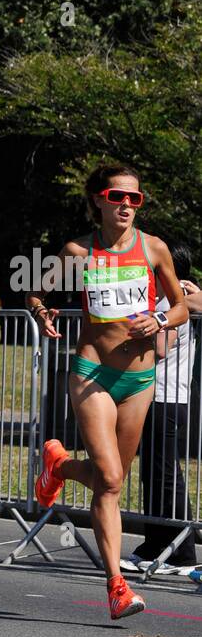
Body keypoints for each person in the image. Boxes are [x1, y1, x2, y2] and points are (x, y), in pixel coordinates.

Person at [28, 163, 188, 620]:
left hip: (139, 379)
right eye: (118, 197)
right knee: (113, 480)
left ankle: (59, 464)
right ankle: (117, 586)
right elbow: (34, 293)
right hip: (93, 374)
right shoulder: (77, 251)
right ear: (98, 199)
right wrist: (42, 312)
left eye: (134, 199)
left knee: (106, 481)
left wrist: (158, 320)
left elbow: (179, 306)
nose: (126, 206)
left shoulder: (153, 249)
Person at [132, 240, 200, 568]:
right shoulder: (168, 302)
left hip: (167, 397)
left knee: (164, 475)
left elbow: (161, 347)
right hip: (155, 396)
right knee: (155, 474)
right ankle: (154, 547)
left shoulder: (174, 305)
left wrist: (138, 326)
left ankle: (181, 553)